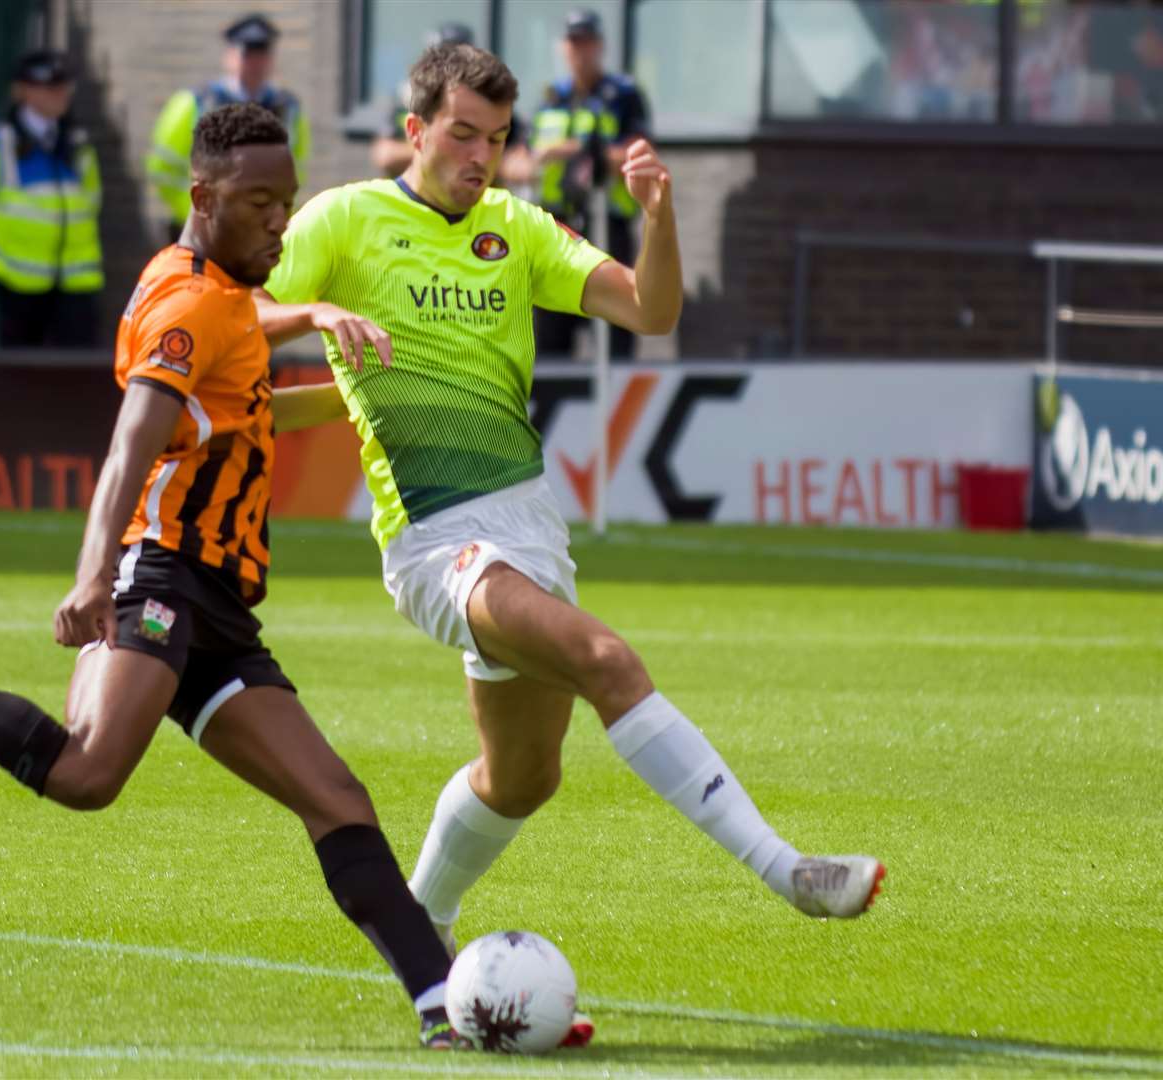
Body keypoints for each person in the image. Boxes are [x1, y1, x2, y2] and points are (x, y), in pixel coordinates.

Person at [0, 104, 464, 1051]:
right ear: (203, 197)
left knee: (337, 799)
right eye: (259, 203)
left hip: (219, 606)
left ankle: (448, 1011)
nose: (281, 221)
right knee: (85, 771)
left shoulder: (215, 292)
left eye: (288, 201)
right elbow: (129, 443)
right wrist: (92, 574)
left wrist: (371, 399)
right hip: (163, 577)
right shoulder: (193, 305)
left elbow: (254, 408)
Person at [253, 42, 886, 1001]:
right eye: (462, 134)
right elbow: (236, 311)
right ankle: (785, 870)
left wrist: (661, 221)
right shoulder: (345, 217)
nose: (480, 155)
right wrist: (310, 314)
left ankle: (419, 928)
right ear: (415, 130)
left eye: (498, 139)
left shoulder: (516, 227)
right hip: (435, 540)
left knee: (522, 777)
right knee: (608, 662)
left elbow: (651, 310)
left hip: (530, 528)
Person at [0, 49, 104, 348]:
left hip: (76, 280)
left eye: (63, 87)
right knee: (20, 372)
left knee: (75, 374)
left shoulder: (76, 142)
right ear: (23, 91)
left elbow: (92, 200)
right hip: (16, 280)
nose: (60, 95)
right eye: (49, 88)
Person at [528, 9, 650, 359]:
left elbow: (637, 152)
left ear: (600, 46)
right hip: (556, 228)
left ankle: (618, 412)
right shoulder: (550, 97)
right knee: (550, 332)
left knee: (616, 332)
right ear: (562, 47)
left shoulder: (623, 95)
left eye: (587, 42)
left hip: (606, 227)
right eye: (573, 42)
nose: (580, 50)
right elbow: (527, 156)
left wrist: (572, 150)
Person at [148, 13, 311, 239]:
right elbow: (163, 170)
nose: (255, 64)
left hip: (261, 234)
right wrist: (200, 213)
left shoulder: (288, 109)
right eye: (248, 55)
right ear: (230, 56)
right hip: (205, 233)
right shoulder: (194, 104)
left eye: (262, 55)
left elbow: (296, 172)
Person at [371, 22, 529, 184]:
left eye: (495, 139)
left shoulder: (493, 109)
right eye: (461, 134)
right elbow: (386, 155)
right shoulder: (404, 104)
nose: (449, 70)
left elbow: (521, 166)